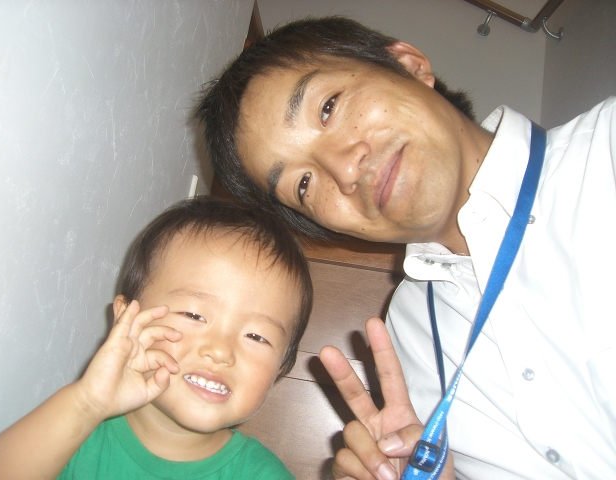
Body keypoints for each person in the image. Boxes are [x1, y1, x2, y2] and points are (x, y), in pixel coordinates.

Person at [195, 16, 616, 480]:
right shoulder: (408, 337)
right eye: (304, 185)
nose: (344, 170)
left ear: (409, 65)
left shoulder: (606, 150)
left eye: (329, 107)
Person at [0, 196, 313, 479]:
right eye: (194, 315)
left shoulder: (262, 474)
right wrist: (87, 403)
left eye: (256, 336)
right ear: (127, 321)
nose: (220, 351)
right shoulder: (72, 433)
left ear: (282, 368)